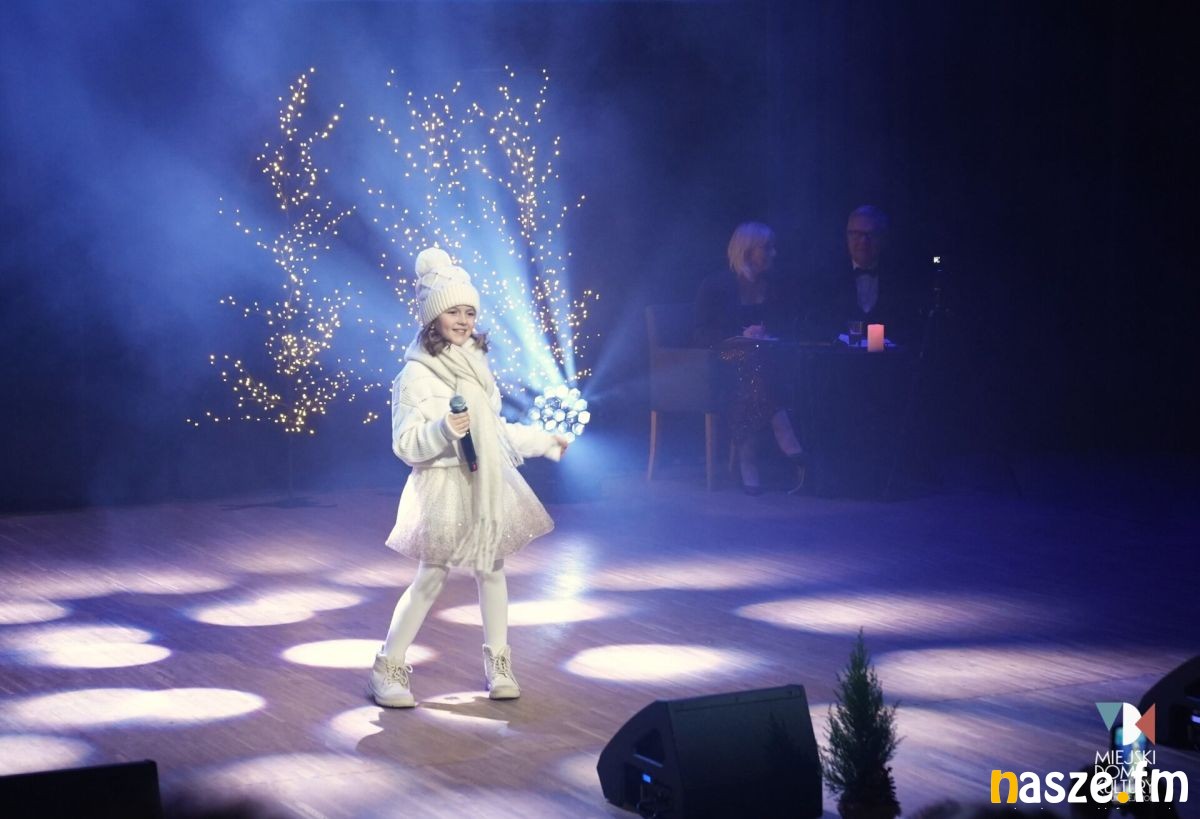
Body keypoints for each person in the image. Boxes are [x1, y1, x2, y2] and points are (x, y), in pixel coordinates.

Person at [369, 247, 568, 708]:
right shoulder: (414, 376)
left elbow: (494, 432)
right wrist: (443, 430)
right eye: (453, 311)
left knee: (491, 569)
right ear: (432, 316)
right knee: (431, 577)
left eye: (469, 312)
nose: (462, 320)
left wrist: (544, 441)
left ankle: (499, 663)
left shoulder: (477, 367)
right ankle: (387, 667)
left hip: (486, 482)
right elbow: (405, 444)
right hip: (442, 484)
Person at [693, 222, 805, 494]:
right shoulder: (716, 285)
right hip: (721, 359)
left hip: (764, 362)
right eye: (767, 248)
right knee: (749, 363)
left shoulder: (772, 286)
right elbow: (700, 333)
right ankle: (781, 424)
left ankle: (748, 459)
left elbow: (785, 325)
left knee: (755, 367)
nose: (773, 253)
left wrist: (764, 334)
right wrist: (740, 335)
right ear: (747, 251)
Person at [824, 205, 920, 345]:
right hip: (839, 356)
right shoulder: (827, 278)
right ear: (847, 236)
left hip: (889, 357)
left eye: (871, 234)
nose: (863, 241)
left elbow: (909, 326)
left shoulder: (901, 278)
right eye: (857, 233)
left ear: (883, 238)